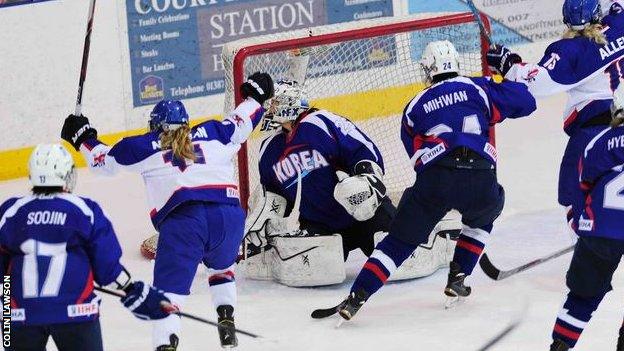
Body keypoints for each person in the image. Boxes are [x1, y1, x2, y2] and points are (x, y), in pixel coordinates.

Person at [323, 40, 536, 320]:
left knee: (398, 242)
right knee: (484, 216)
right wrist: (509, 68)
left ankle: (357, 297)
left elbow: (416, 156)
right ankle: (459, 275)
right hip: (481, 175)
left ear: (428, 69)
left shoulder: (414, 106)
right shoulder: (479, 87)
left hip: (436, 177)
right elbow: (526, 102)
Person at [60, 72, 275, 350]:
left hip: (185, 222)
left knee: (167, 296)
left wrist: (83, 135)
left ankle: (166, 345)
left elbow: (102, 160)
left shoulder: (142, 146)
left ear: (156, 125)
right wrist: (256, 95)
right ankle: (226, 321)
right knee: (221, 267)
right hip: (230, 217)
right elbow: (245, 117)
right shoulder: (215, 133)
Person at [242, 80, 457, 287]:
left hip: (363, 213)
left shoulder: (319, 121)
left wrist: (367, 179)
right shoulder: (267, 150)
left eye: (273, 104)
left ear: (287, 104)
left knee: (406, 260)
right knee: (313, 273)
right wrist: (267, 219)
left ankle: (437, 235)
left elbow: (364, 149)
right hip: (320, 224)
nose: (268, 110)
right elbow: (273, 194)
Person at [0, 144, 171, 351]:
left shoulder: (10, 212)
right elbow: (107, 269)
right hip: (77, 312)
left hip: (16, 317)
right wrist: (130, 289)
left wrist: (8, 302)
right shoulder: (84, 210)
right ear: (67, 174)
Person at [486, 0, 624, 229]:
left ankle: (587, 245)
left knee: (572, 194)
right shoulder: (619, 22)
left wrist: (507, 63)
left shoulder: (571, 50)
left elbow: (536, 84)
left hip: (594, 129)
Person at [548, 83, 624, 351]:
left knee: (582, 297)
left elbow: (581, 188)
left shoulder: (599, 141)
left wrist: (582, 224)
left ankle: (560, 346)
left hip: (601, 229)